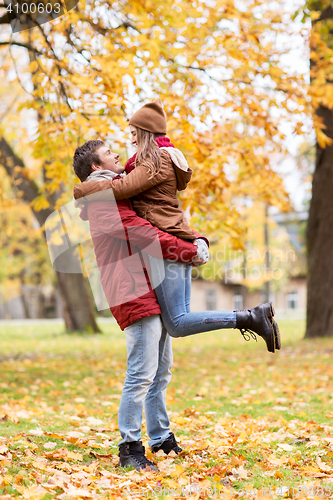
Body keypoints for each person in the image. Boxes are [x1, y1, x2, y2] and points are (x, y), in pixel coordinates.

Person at [73, 98, 281, 351]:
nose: (131, 140)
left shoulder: (154, 161)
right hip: (175, 242)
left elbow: (122, 187)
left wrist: (84, 189)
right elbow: (160, 209)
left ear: (145, 132)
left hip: (167, 248)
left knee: (178, 323)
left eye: (134, 133)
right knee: (177, 320)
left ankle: (249, 317)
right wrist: (194, 238)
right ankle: (250, 317)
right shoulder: (152, 161)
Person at [73, 140, 208, 472]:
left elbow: (155, 213)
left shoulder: (116, 191)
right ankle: (129, 448)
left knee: (160, 371)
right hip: (130, 289)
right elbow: (142, 232)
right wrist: (190, 252)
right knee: (140, 373)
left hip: (147, 285)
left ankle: (160, 438)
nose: (116, 154)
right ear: (95, 166)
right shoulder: (100, 197)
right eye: (108, 153)